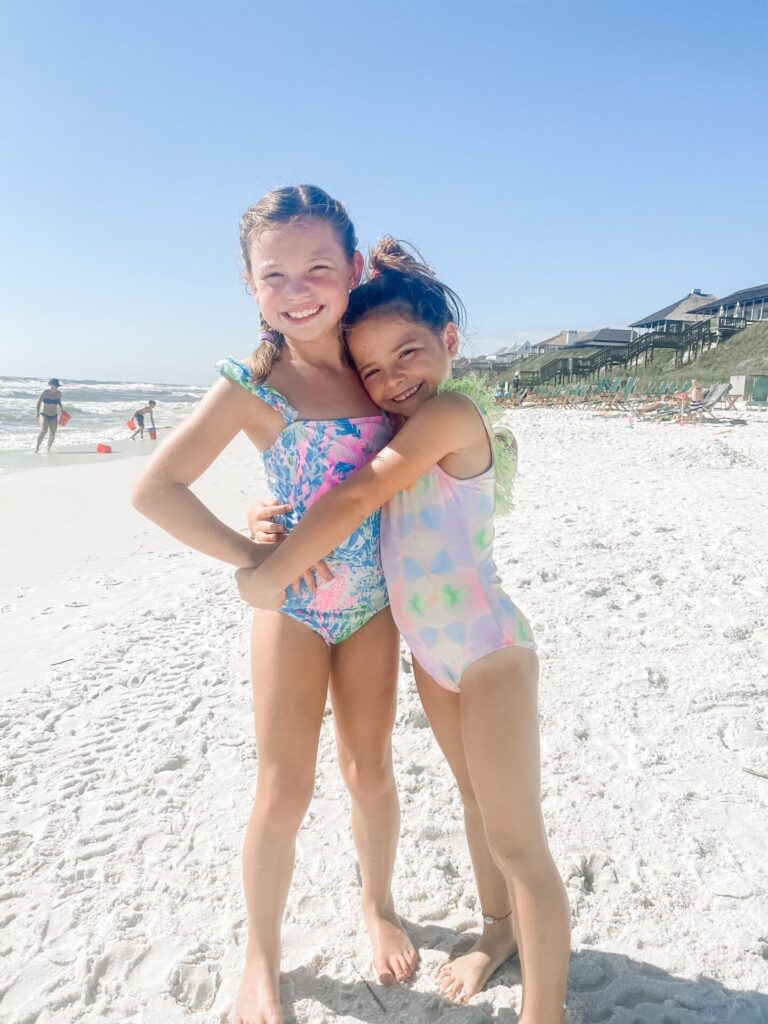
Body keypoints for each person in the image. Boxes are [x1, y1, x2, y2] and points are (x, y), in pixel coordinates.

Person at [238, 239, 571, 1022]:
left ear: (449, 343)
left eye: (409, 354)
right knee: (473, 803)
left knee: (519, 840)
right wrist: (264, 519)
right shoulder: (397, 429)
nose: (393, 380)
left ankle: (546, 1012)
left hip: (487, 651)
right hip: (433, 652)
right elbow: (333, 487)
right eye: (373, 370)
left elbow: (356, 500)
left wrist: (264, 577)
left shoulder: (447, 415)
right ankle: (497, 932)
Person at [131, 187, 416, 1024]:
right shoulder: (254, 387)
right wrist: (252, 553)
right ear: (252, 286)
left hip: (373, 606)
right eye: (275, 274)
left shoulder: (380, 369)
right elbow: (158, 490)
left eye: (319, 267)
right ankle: (261, 955)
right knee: (282, 789)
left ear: (353, 270)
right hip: (290, 610)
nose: (300, 288)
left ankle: (378, 904)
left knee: (370, 772)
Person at [35, 378, 63, 453]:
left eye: (57, 386)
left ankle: (48, 448)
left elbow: (59, 402)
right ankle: (37, 448)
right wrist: (37, 413)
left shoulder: (59, 393)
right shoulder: (45, 392)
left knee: (53, 433)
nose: (55, 387)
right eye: (54, 385)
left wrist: (62, 409)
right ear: (50, 384)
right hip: (44, 414)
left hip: (54, 415)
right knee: (43, 431)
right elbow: (39, 403)